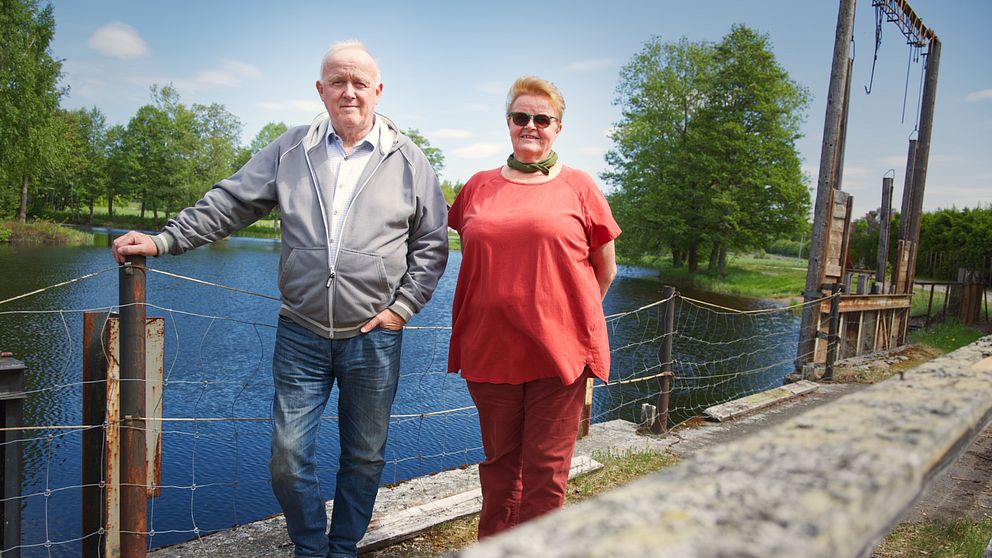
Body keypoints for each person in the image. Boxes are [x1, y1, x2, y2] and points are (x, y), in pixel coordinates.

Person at [111, 41, 448, 558]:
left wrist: (401, 308)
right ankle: (311, 546)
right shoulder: (292, 149)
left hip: (374, 338)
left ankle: (343, 548)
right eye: (338, 81)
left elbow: (431, 242)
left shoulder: (408, 159)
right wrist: (165, 239)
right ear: (321, 90)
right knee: (287, 458)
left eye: (360, 82)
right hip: (302, 332)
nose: (349, 91)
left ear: (378, 91)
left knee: (364, 457)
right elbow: (230, 201)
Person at [446, 75, 621, 539]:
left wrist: (565, 318)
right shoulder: (477, 187)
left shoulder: (579, 187)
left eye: (542, 119)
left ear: (558, 127)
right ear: (508, 122)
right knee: (500, 468)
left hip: (558, 357)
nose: (531, 126)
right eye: (521, 116)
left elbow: (605, 270)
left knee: (545, 474)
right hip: (490, 352)